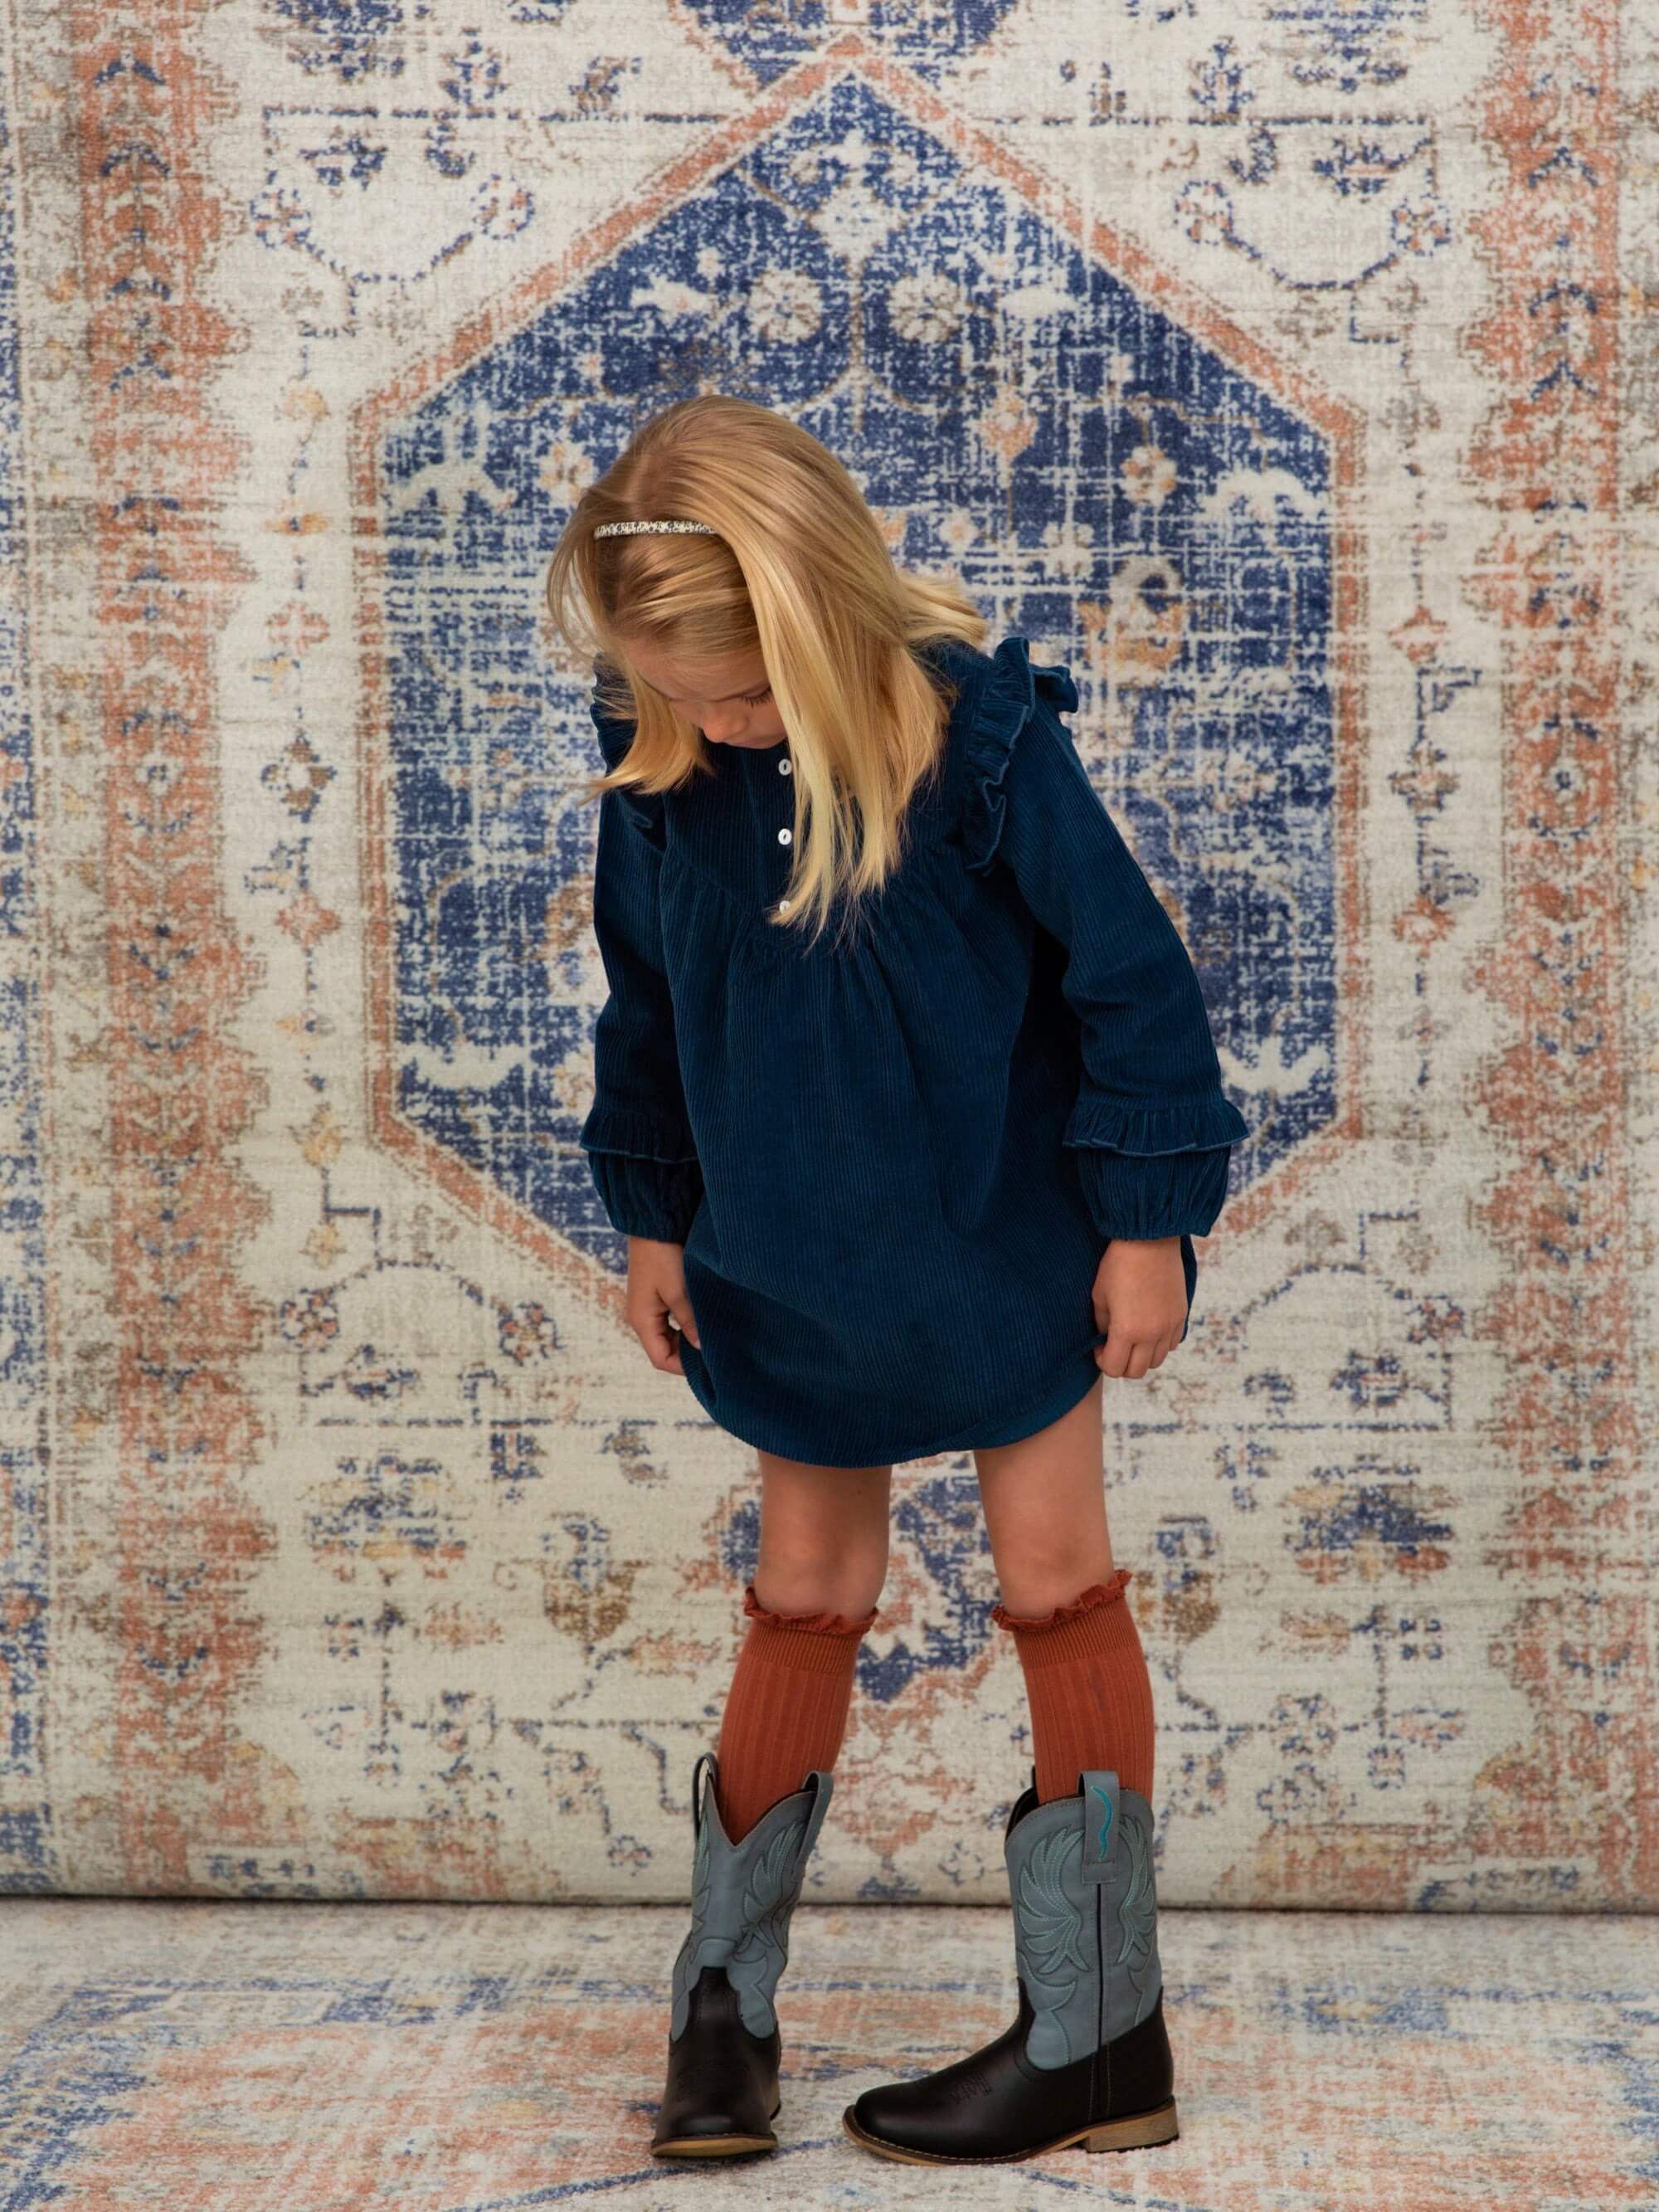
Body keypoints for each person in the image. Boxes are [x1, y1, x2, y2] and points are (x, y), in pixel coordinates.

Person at [543, 393, 1250, 2167]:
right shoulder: (666, 773)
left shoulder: (978, 745)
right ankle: (723, 2011)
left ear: (825, 612)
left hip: (1009, 1247)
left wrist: (1145, 1223)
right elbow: (645, 1006)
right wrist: (652, 1216)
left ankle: (1102, 2037)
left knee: (1058, 1580)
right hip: (788, 1251)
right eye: (678, 695)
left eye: (738, 693)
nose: (713, 724)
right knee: (805, 1590)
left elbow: (1132, 984)